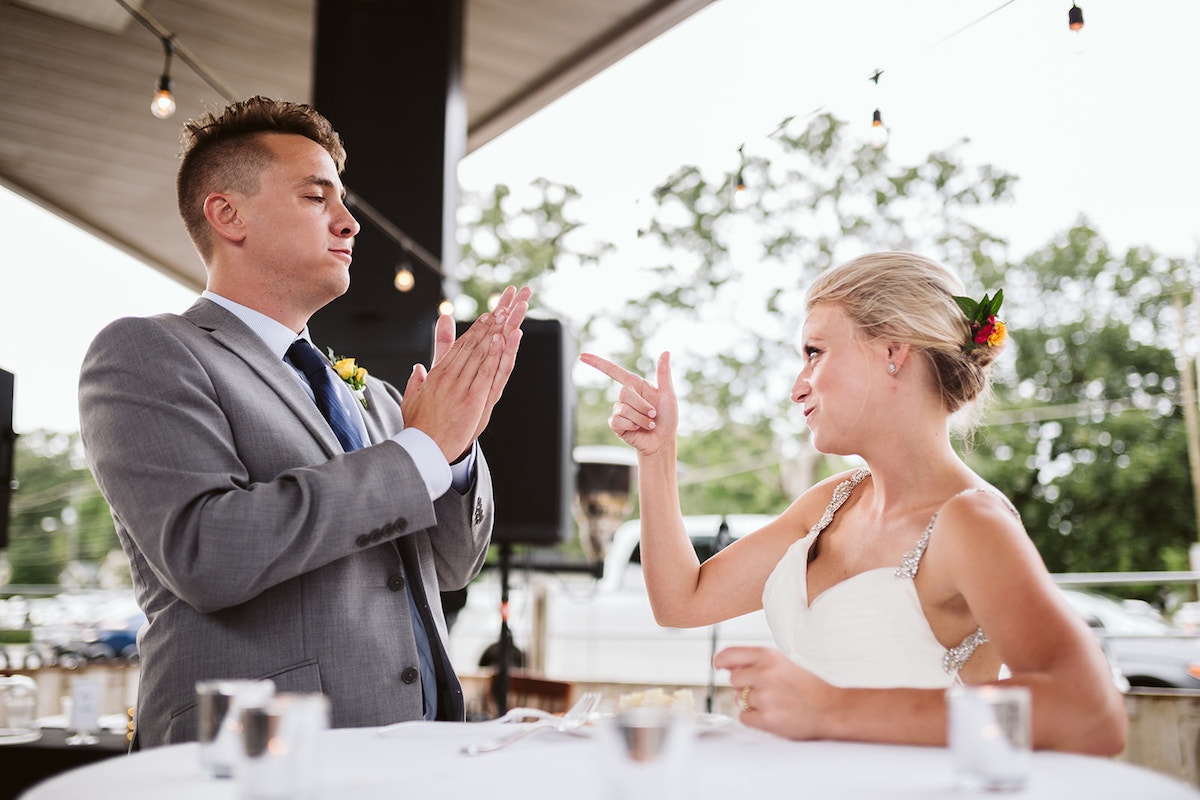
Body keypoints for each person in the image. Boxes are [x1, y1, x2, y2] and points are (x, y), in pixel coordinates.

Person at [78, 96, 530, 748]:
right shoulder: (147, 353)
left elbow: (452, 568)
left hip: (415, 758)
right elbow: (206, 553)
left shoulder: (374, 397)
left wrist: (454, 452)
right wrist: (423, 450)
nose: (349, 223)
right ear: (227, 214)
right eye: (317, 198)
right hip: (252, 763)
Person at [581, 251, 1127, 754]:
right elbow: (682, 601)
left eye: (814, 353)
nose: (798, 387)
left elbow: (1092, 714)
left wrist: (828, 708)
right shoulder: (830, 504)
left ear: (893, 352)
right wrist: (658, 455)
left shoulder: (971, 522)